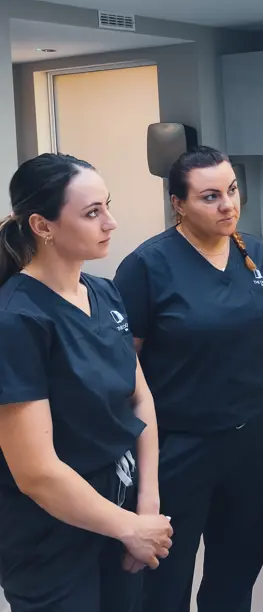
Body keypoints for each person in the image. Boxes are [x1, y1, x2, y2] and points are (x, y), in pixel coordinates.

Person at [114, 146, 263, 612]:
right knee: (165, 579)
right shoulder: (147, 266)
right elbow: (124, 366)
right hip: (180, 446)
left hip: (253, 439)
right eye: (210, 197)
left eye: (232, 190)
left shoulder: (251, 251)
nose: (228, 205)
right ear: (178, 203)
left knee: (238, 567)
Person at [0, 153, 173, 612]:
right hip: (52, 536)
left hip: (121, 509)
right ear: (43, 226)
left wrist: (146, 505)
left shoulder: (104, 292)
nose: (111, 222)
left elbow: (139, 397)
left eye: (107, 206)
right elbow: (36, 472)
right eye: (93, 212)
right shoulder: (16, 320)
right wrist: (129, 527)